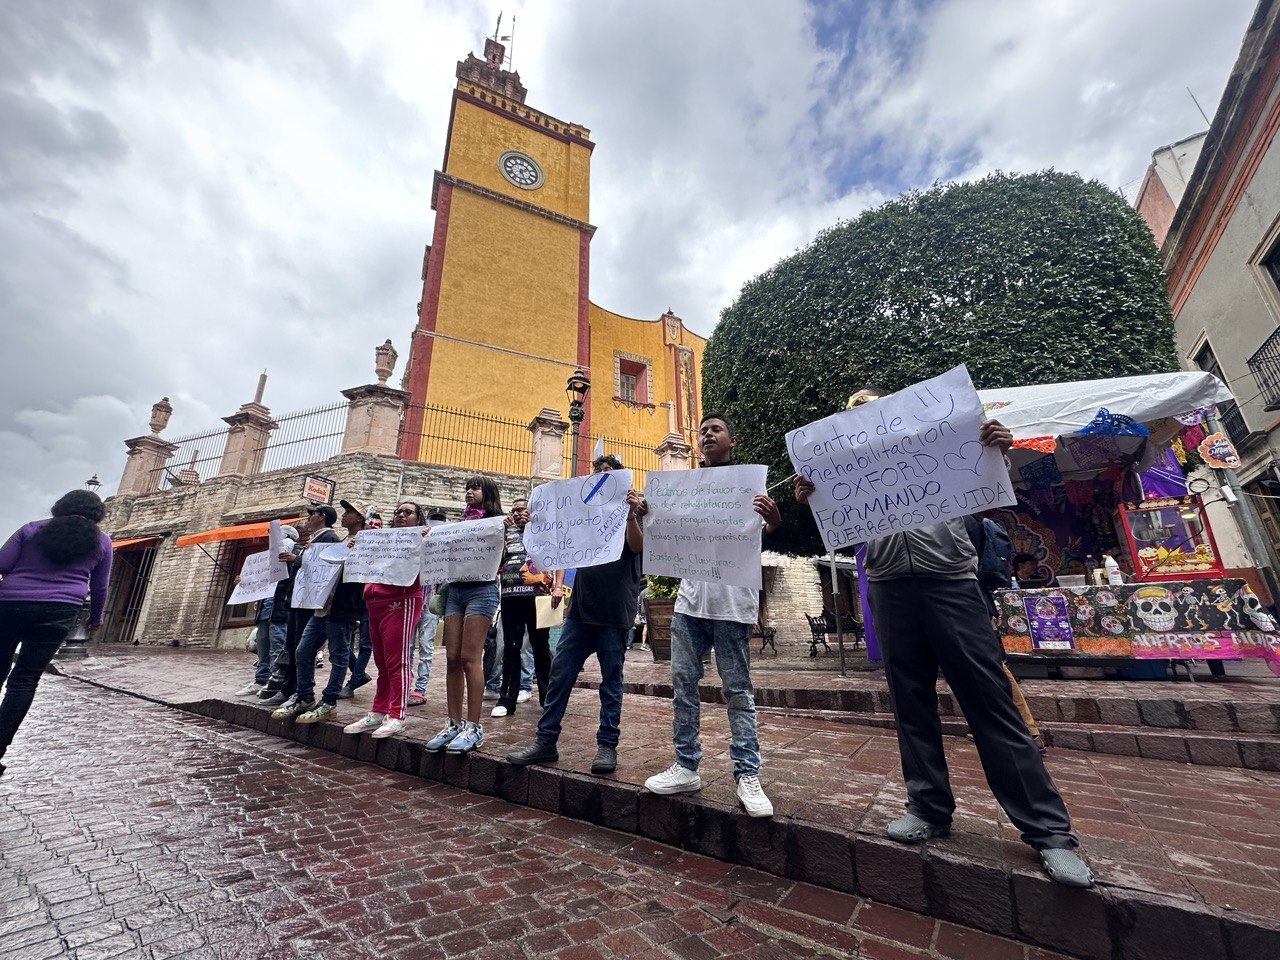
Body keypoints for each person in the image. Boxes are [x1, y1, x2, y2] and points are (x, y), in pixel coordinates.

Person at [795, 385, 1092, 888]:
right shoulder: (851, 466)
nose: (860, 416)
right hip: (888, 586)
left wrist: (995, 447)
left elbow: (984, 482)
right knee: (910, 703)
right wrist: (814, 498)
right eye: (852, 411)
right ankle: (929, 809)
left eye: (869, 406)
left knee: (989, 701)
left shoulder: (939, 440)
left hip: (951, 579)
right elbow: (844, 529)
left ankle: (1049, 833)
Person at [643, 414, 780, 818]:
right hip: (689, 604)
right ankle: (686, 766)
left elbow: (770, 535)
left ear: (732, 440)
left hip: (732, 606)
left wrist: (772, 518)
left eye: (716, 429)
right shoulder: (681, 490)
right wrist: (645, 511)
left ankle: (747, 773)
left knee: (738, 691)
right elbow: (661, 534)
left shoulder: (747, 484)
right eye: (702, 429)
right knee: (683, 686)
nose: (707, 433)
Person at [506, 454, 644, 774]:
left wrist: (631, 515)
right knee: (560, 676)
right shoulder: (580, 511)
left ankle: (607, 745)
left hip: (614, 612)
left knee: (611, 682)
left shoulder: (634, 509)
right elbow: (554, 539)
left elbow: (637, 547)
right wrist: (533, 523)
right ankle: (546, 741)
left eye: (609, 472)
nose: (600, 476)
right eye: (596, 472)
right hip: (580, 611)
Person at [0, 491, 112, 776]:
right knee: (25, 680)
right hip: (59, 611)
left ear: (59, 508)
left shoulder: (31, 529)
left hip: (10, 604)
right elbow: (100, 587)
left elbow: (2, 564)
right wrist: (95, 618)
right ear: (97, 514)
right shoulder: (101, 540)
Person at [425, 477, 504, 753]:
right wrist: (431, 540)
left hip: (482, 591)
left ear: (488, 493)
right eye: (467, 488)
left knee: (471, 658)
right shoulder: (457, 525)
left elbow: (502, 559)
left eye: (476, 487)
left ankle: (474, 726)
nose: (469, 492)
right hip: (455, 591)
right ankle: (453, 723)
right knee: (451, 657)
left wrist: (506, 532)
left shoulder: (498, 523)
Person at [344, 501, 426, 738]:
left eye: (408, 512)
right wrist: (356, 546)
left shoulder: (422, 538)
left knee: (397, 660)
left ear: (418, 519)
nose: (402, 515)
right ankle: (379, 710)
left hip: (401, 600)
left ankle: (397, 714)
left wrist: (427, 539)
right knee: (381, 663)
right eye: (398, 512)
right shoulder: (380, 538)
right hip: (374, 601)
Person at [290, 500, 369, 723]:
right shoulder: (341, 541)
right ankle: (305, 696)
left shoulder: (365, 542)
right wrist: (310, 555)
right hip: (323, 605)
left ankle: (329, 701)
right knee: (303, 651)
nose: (344, 516)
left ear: (360, 518)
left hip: (344, 607)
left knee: (339, 655)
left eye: (349, 513)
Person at [259, 506, 338, 706]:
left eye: (312, 514)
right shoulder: (313, 540)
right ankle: (288, 689)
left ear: (322, 517)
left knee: (302, 648)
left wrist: (297, 559)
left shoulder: (329, 538)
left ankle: (299, 690)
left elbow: (327, 567)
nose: (308, 518)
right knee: (292, 646)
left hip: (308, 602)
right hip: (297, 600)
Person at [493, 497, 559, 718]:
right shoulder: (507, 533)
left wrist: (557, 588)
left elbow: (557, 559)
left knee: (541, 647)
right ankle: (506, 700)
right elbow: (498, 560)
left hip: (540, 597)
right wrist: (501, 534)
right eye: (514, 511)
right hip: (511, 596)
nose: (519, 513)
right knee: (511, 647)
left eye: (523, 510)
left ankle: (547, 698)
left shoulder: (545, 531)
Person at [408, 508, 447, 708]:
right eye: (434, 519)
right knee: (408, 645)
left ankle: (420, 688)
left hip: (430, 600)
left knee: (426, 644)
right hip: (412, 597)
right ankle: (406, 685)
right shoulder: (415, 538)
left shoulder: (446, 541)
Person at [340, 512, 381, 700]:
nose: (375, 527)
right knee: (340, 640)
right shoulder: (355, 543)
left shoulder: (384, 546)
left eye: (378, 525)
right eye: (372, 524)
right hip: (351, 599)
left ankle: (353, 681)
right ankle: (359, 673)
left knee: (366, 643)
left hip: (371, 601)